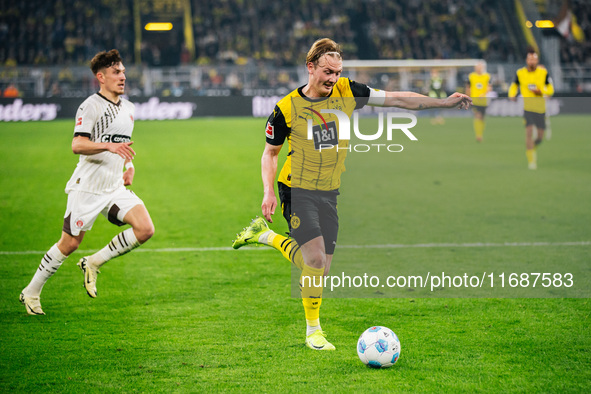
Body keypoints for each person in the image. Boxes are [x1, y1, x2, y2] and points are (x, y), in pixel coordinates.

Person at [232, 38, 471, 351]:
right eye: (327, 71)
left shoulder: (348, 90)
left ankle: (265, 236)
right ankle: (313, 333)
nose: (333, 78)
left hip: (329, 191)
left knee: (319, 267)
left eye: (338, 72)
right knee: (315, 260)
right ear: (310, 67)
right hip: (296, 187)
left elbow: (398, 99)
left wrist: (443, 103)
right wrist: (268, 192)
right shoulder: (287, 108)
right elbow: (270, 153)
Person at [20, 49, 155, 315]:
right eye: (117, 72)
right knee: (70, 243)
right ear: (101, 77)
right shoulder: (90, 106)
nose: (123, 77)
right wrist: (109, 148)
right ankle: (31, 292)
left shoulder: (129, 108)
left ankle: (93, 262)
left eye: (124, 71)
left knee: (145, 229)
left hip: (114, 185)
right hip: (88, 186)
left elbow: (124, 145)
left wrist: (129, 166)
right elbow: (77, 144)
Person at [508, 48, 554, 169]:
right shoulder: (520, 73)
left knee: (539, 137)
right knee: (528, 132)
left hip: (540, 109)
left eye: (534, 59)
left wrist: (541, 91)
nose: (532, 61)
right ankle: (531, 161)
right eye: (530, 59)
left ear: (537, 61)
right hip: (528, 108)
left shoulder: (543, 73)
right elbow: (514, 86)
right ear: (527, 60)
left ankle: (532, 148)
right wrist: (512, 95)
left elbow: (550, 89)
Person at [466, 61, 492, 142]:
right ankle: (478, 135)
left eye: (480, 67)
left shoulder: (487, 76)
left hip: (483, 101)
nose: (478, 68)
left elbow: (489, 87)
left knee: (482, 118)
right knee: (477, 115)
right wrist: (467, 97)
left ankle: (480, 133)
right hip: (474, 100)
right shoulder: (471, 76)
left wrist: (484, 93)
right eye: (477, 67)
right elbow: (468, 87)